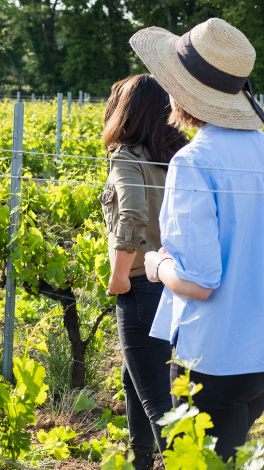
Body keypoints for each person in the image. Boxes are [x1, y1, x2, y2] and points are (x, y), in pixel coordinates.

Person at [132, 18, 264, 461]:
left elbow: (200, 281)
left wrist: (156, 265)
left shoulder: (195, 161)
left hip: (214, 355)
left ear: (185, 93)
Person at [99, 74, 189, 469]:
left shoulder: (126, 157)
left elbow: (132, 214)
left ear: (126, 112)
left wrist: (119, 275)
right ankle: (139, 462)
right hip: (178, 283)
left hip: (141, 282)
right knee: (135, 382)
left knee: (157, 399)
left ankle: (182, 464)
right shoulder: (178, 158)